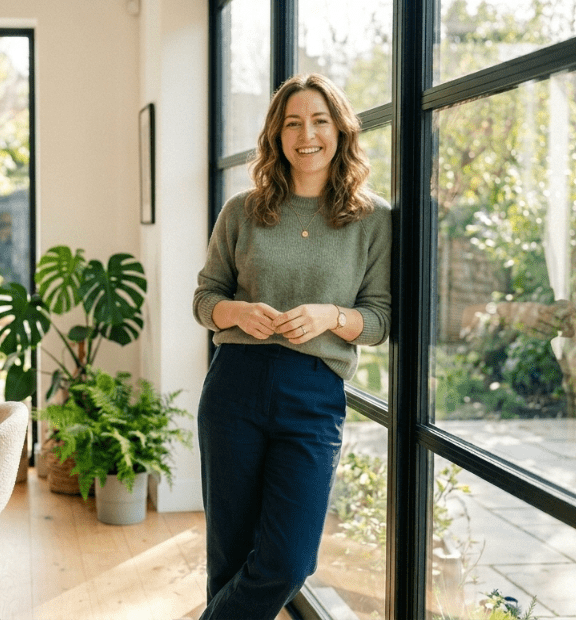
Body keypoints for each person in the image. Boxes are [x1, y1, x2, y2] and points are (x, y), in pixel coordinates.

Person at [191, 73, 392, 619]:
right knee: (229, 553)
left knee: (290, 560)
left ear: (341, 130)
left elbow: (380, 319)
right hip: (235, 382)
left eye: (320, 121)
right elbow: (206, 298)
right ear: (276, 136)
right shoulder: (243, 210)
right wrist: (237, 312)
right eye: (293, 123)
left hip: (313, 395)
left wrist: (333, 315)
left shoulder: (373, 220)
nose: (307, 135)